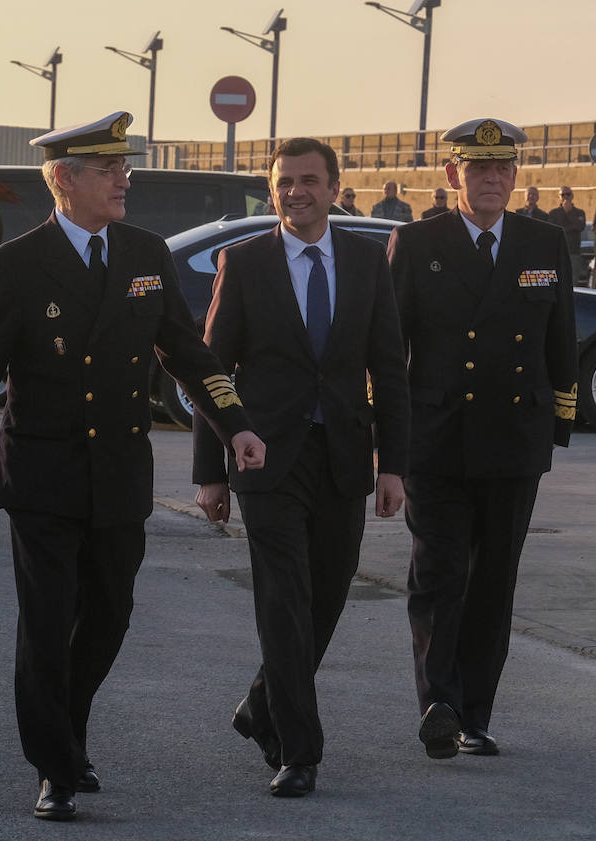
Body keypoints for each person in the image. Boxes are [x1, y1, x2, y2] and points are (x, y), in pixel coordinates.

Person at [0, 111, 267, 822]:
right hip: (42, 478)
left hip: (117, 476)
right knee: (46, 623)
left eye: (123, 167)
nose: (124, 178)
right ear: (63, 179)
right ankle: (54, 766)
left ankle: (68, 728)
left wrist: (235, 424)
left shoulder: (144, 253)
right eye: (109, 169)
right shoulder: (18, 263)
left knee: (109, 615)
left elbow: (186, 350)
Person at [192, 138, 410, 799]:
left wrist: (393, 464)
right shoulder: (245, 261)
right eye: (284, 181)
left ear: (335, 188)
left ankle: (261, 704)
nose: (295, 192)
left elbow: (389, 371)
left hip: (343, 455)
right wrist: (213, 470)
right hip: (266, 455)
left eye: (309, 181)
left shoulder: (369, 262)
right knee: (284, 598)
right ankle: (299, 748)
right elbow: (212, 373)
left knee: (326, 596)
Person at [387, 117, 576, 761]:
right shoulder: (416, 243)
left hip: (515, 438)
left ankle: (475, 713)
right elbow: (390, 349)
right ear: (451, 176)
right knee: (439, 575)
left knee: (494, 581)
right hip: (436, 438)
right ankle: (438, 701)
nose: (491, 179)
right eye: (477, 169)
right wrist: (387, 437)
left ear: (516, 178)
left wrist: (561, 422)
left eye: (502, 170)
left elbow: (560, 339)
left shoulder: (543, 243)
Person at [545, 186, 587, 284]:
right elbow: (555, 230)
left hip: (573, 252)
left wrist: (569, 212)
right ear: (559, 196)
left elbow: (580, 227)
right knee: (557, 281)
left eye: (568, 194)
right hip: (557, 252)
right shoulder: (553, 213)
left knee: (572, 282)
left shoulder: (579, 212)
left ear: (572, 195)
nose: (565, 197)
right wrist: (571, 227)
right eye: (563, 195)